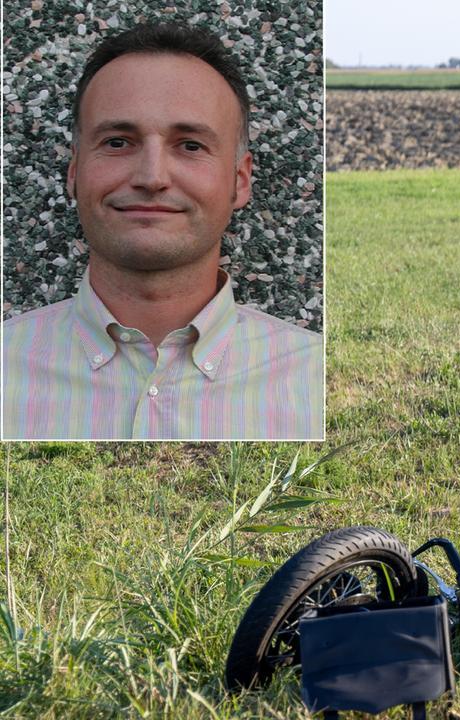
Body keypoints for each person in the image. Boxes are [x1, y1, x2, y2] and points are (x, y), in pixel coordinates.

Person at [1, 23, 323, 440]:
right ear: (75, 171)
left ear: (240, 180)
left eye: (190, 145)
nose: (152, 177)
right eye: (118, 142)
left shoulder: (317, 380)